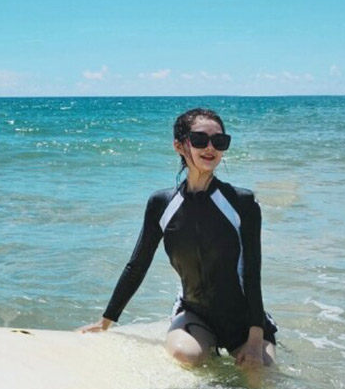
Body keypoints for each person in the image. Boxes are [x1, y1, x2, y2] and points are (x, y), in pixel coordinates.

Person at [80, 107, 276, 371]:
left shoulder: (242, 202)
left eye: (219, 141)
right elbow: (138, 264)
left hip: (244, 319)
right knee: (185, 356)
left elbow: (252, 272)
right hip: (195, 314)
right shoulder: (162, 203)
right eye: (199, 139)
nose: (210, 148)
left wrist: (255, 339)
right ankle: (202, 345)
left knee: (258, 373)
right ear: (179, 146)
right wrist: (106, 321)